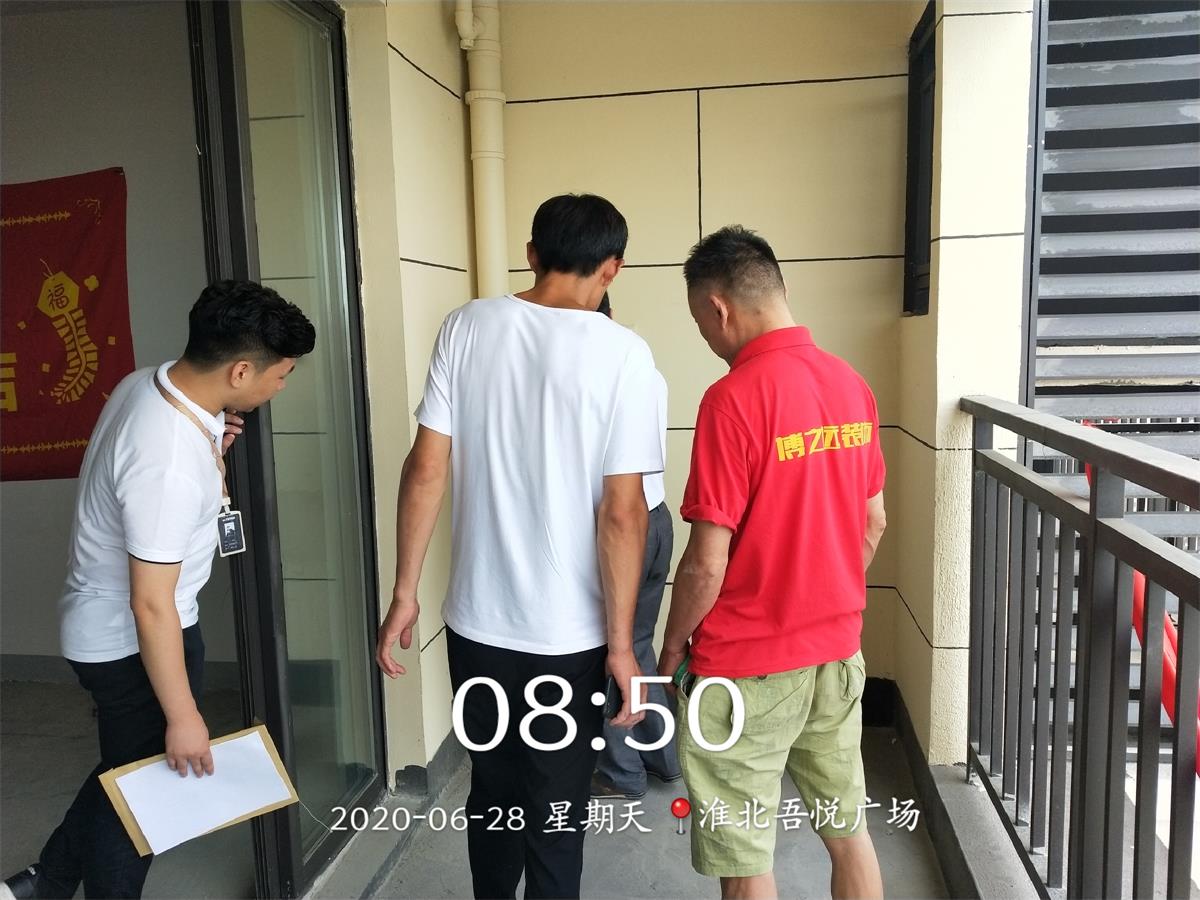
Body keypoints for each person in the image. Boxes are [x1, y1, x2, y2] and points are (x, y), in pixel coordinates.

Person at [376, 194, 663, 899]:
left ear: (532, 255)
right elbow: (622, 512)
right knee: (556, 811)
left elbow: (426, 467)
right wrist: (623, 648)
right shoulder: (624, 354)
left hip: (476, 625)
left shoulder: (467, 325)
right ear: (613, 268)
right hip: (570, 637)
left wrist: (404, 591)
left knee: (494, 792)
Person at [2, 281, 315, 900]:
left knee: (126, 773)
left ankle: (44, 883)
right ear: (241, 370)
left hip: (128, 626)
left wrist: (210, 448)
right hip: (131, 641)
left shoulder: (149, 384)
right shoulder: (168, 460)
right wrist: (185, 716)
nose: (281, 387)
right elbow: (149, 602)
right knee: (144, 798)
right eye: (281, 375)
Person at [657, 227, 887, 900]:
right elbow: (873, 521)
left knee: (746, 852)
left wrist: (672, 646)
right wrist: (825, 593)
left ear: (718, 308)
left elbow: (706, 563)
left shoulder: (732, 399)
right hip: (836, 654)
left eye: (701, 322)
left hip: (745, 666)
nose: (707, 337)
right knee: (848, 830)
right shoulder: (850, 384)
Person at [591, 292, 680, 800]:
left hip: (624, 528)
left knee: (613, 649)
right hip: (657, 517)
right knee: (639, 642)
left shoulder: (598, 368)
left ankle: (620, 772)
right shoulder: (642, 362)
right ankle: (663, 757)